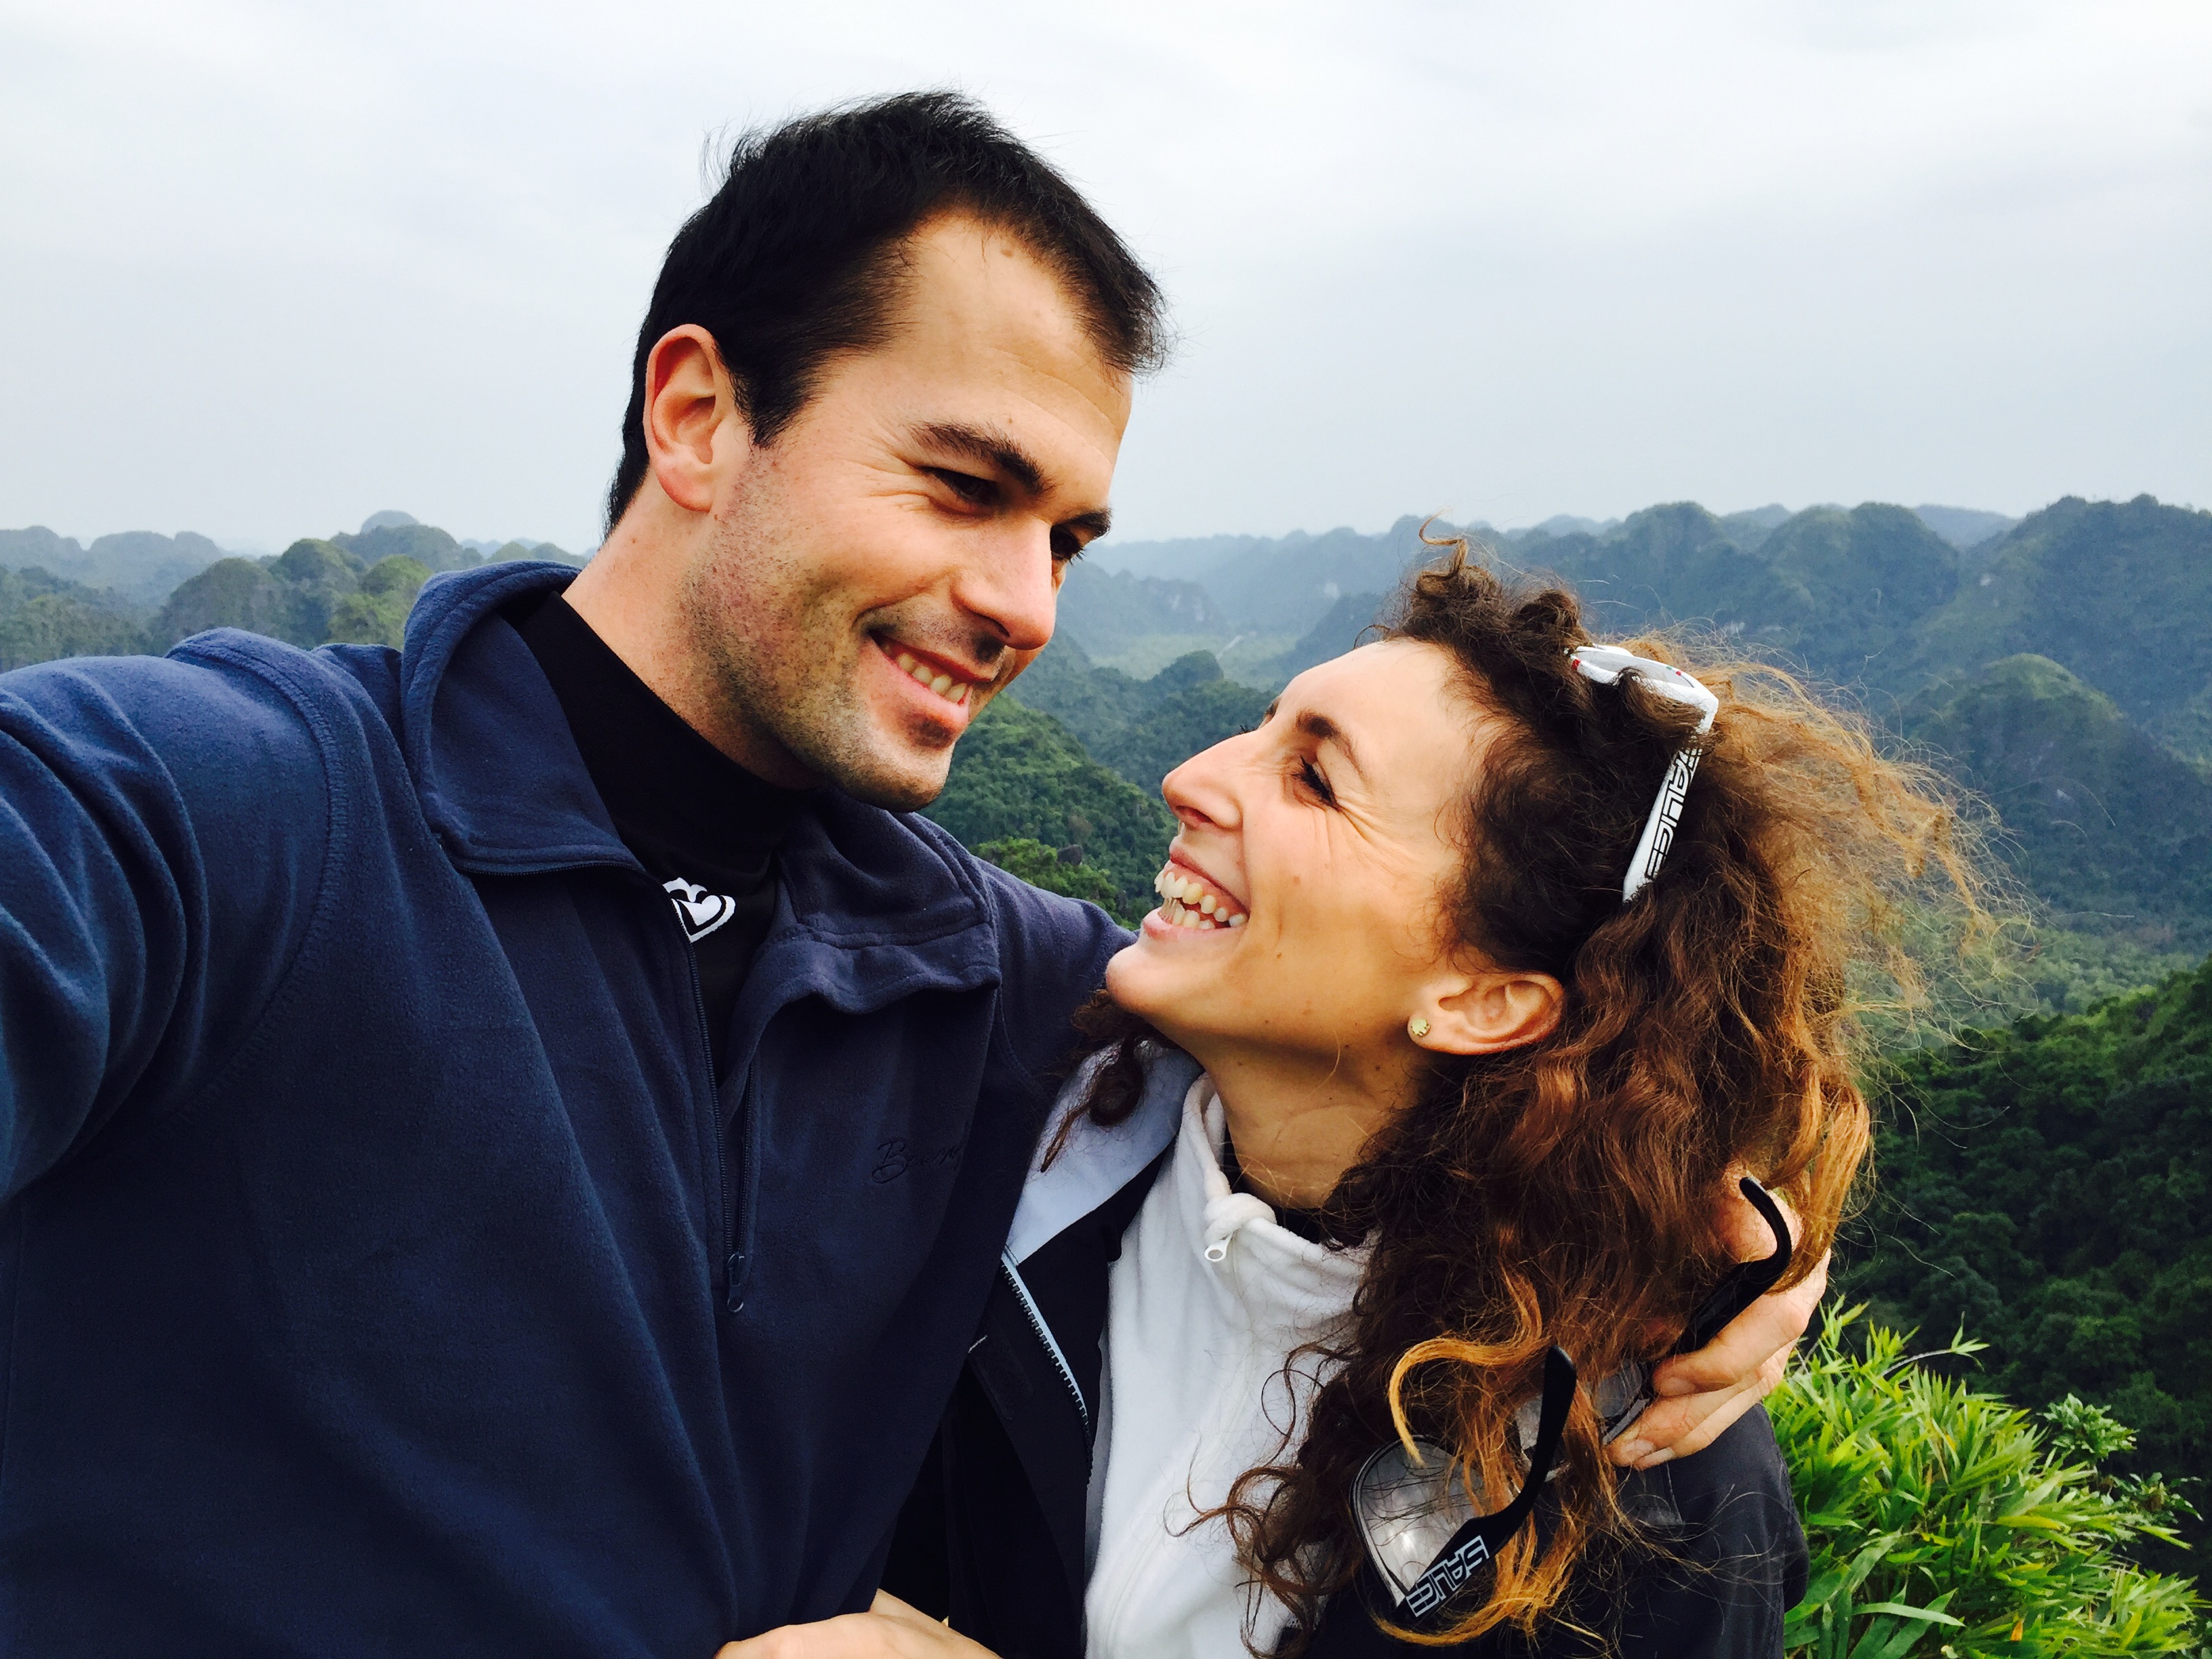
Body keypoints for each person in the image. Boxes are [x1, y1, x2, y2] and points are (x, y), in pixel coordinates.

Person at [0, 97, 1814, 1656]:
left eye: (1067, 538)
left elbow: (1473, 1043)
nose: (1028, 605)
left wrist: (1745, 1223)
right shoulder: (217, 812)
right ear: (698, 416)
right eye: (961, 485)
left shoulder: (991, 986)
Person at [730, 548, 1975, 1659]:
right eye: (1258, 728)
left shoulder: (1643, 1489)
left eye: (1315, 781)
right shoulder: (1023, 1120)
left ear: (1485, 1000)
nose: (1189, 776)